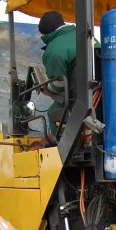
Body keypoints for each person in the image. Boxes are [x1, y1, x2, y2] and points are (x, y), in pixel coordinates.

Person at [39, 10, 76, 139]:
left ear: (46, 34)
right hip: (101, 97)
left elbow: (59, 85)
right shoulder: (87, 36)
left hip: (78, 101)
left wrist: (46, 87)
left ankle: (62, 152)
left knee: (53, 112)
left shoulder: (54, 49)